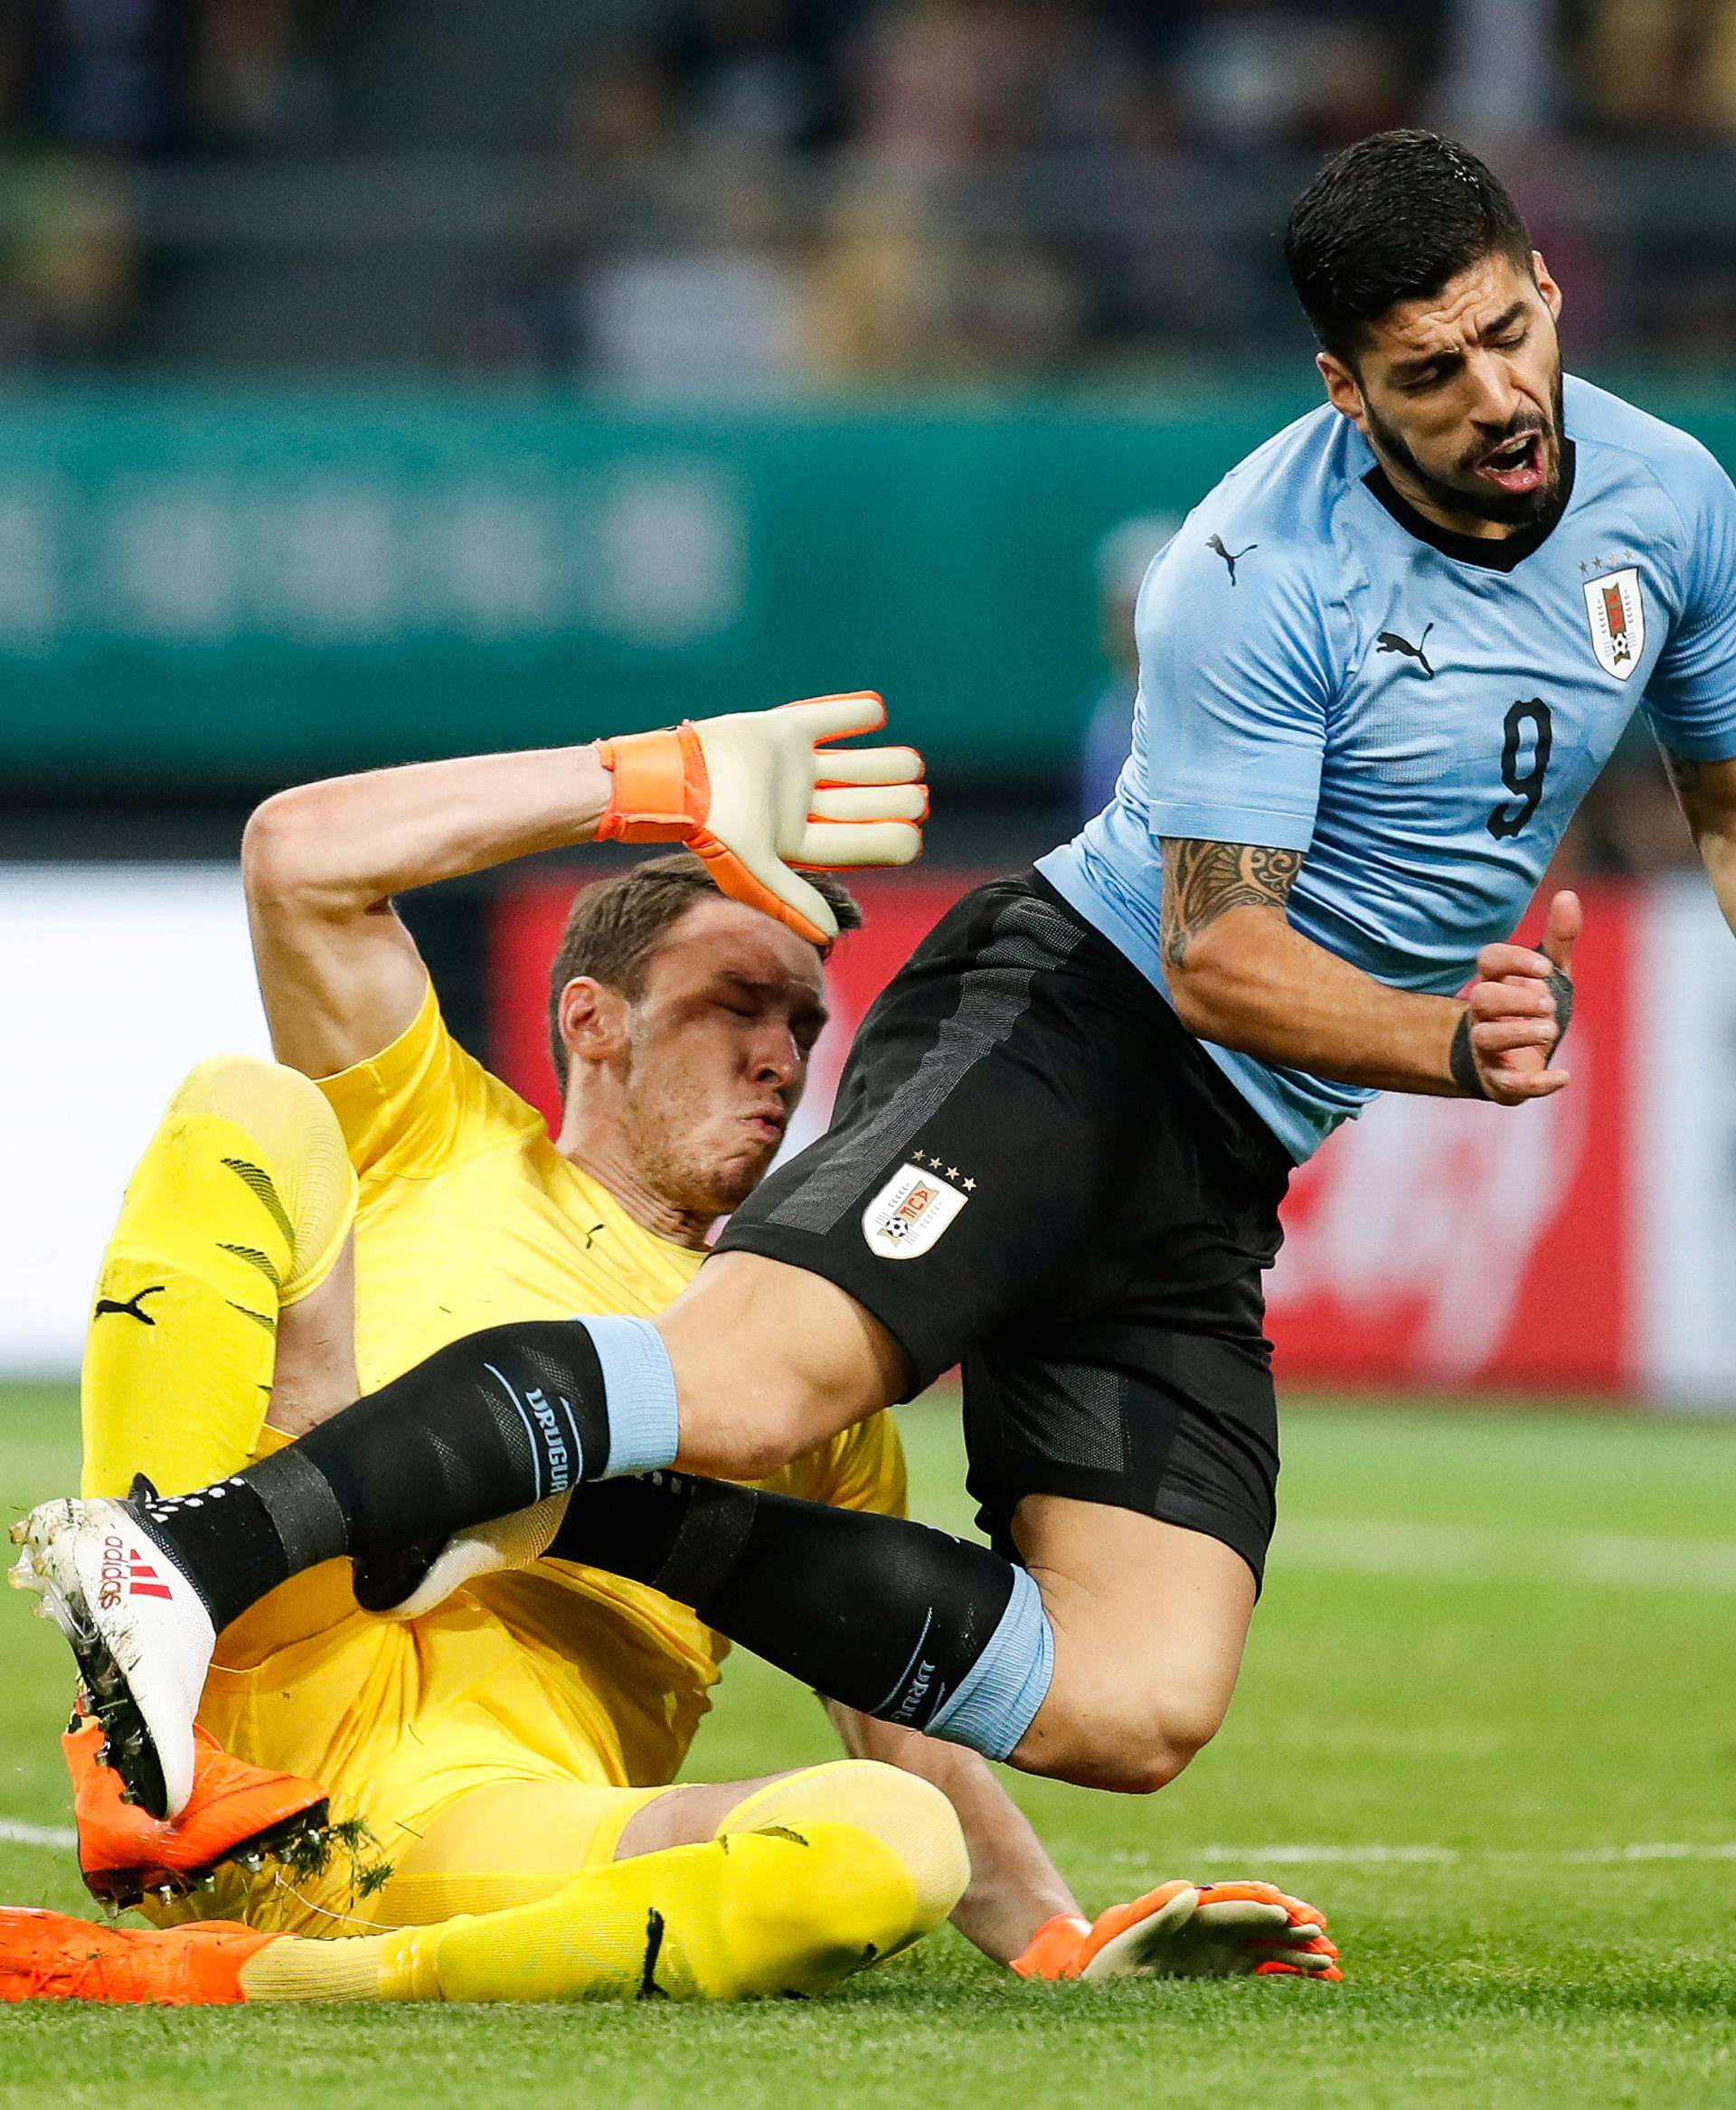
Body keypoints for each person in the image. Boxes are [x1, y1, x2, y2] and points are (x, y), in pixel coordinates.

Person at [28, 125, 1725, 1827]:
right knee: (761, 1386)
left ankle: (574, 1510)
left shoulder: (1678, 507)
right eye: (1431, 372)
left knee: (1138, 1705)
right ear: (1345, 391)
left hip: (1219, 1162)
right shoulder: (1253, 575)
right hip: (1077, 1023)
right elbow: (1219, 961)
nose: (1497, 395)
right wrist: (1449, 1039)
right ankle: (186, 1554)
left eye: (1510, 333)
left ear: (1551, 288)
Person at [2, 735, 1335, 2000]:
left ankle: (259, 1976)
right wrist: (651, 780)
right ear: (592, 1019)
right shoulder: (433, 1131)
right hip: (268, 1688)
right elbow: (297, 856)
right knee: (250, 1101)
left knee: (892, 1842)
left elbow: (899, 1716)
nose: (779, 1056)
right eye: (735, 1005)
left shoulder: (805, 1367)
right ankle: (130, 1699)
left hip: (485, 1826)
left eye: (805, 1027)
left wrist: (1053, 1935)